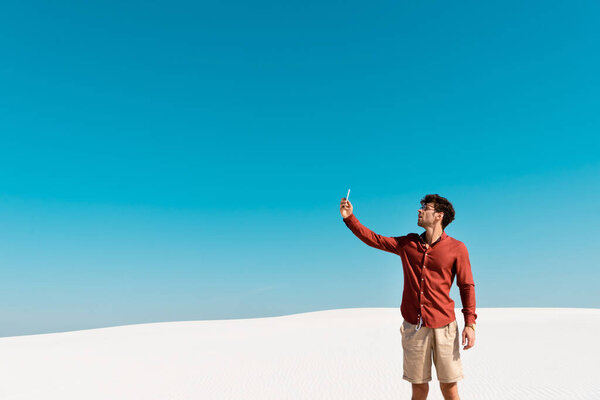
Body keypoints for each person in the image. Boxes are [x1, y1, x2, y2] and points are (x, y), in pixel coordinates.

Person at [340, 194, 476, 400]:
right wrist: (350, 218)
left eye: (425, 208)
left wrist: (470, 323)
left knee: (449, 388)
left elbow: (466, 286)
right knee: (419, 389)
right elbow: (375, 239)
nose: (419, 211)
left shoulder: (457, 248)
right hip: (414, 326)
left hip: (445, 326)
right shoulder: (408, 243)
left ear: (439, 215)